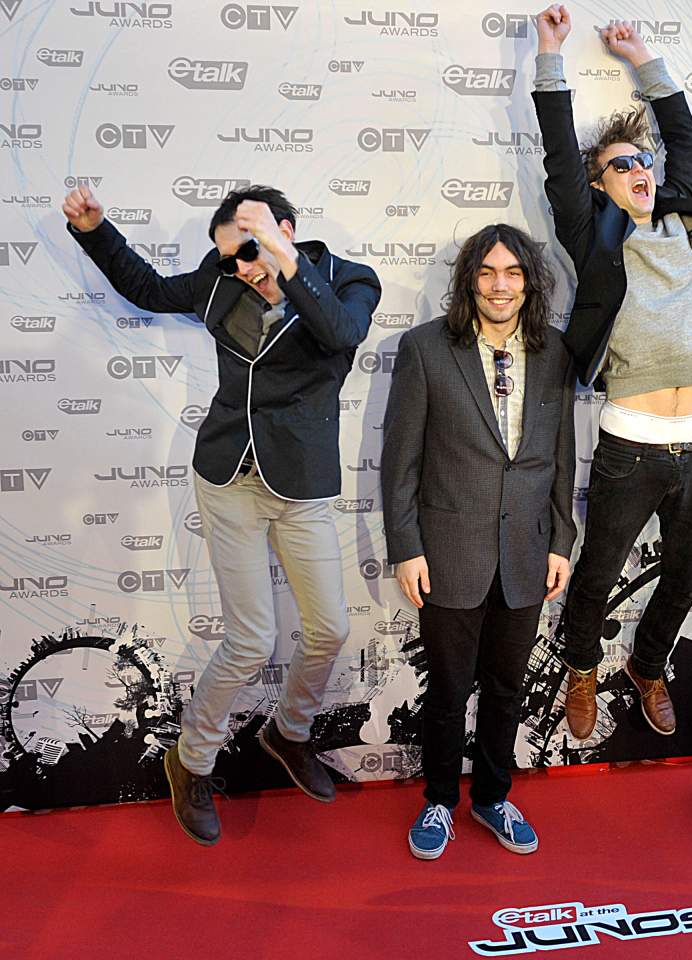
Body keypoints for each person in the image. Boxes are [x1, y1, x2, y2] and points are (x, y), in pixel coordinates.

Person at [62, 184, 381, 845]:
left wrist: (283, 263)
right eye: (232, 257)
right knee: (250, 640)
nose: (242, 268)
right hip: (228, 475)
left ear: (287, 232)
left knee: (329, 629)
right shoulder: (222, 275)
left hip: (300, 484)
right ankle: (192, 759)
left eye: (251, 251)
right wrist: (96, 229)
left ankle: (288, 734)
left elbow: (339, 333)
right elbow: (148, 290)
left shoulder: (349, 280)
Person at [531, 5, 692, 739]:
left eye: (641, 163)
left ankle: (646, 667)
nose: (639, 171)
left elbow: (682, 137)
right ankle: (581, 667)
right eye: (621, 166)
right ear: (600, 185)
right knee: (598, 576)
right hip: (630, 442)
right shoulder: (592, 234)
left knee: (686, 578)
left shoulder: (681, 219)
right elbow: (556, 157)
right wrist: (551, 55)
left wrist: (644, 58)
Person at [380, 224, 576, 860]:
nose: (500, 285)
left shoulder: (555, 354)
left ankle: (492, 797)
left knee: (506, 688)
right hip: (447, 554)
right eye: (488, 273)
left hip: (527, 552)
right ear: (469, 280)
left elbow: (560, 460)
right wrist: (406, 547)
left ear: (529, 283)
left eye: (513, 273)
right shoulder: (426, 349)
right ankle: (438, 800)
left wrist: (561, 540)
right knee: (447, 688)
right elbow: (399, 462)